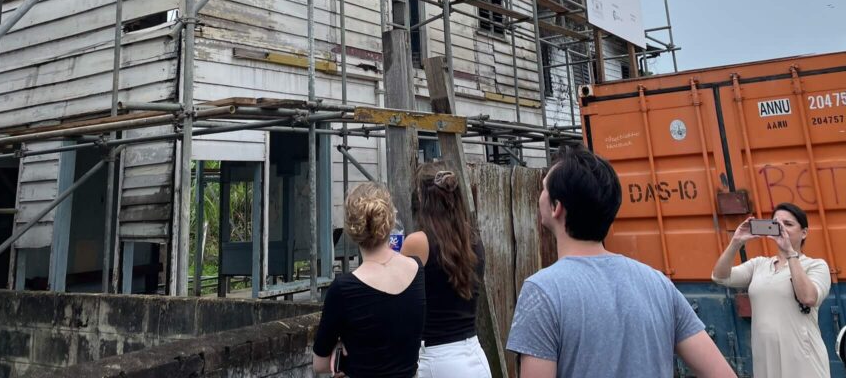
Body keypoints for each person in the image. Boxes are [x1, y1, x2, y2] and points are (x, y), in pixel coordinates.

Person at [506, 144, 735, 378]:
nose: (540, 195)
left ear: (557, 207)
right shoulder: (658, 283)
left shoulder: (542, 291)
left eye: (544, 189)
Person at [312, 182, 425, 377]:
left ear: (351, 229)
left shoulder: (343, 289)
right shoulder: (416, 270)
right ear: (390, 220)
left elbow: (320, 365)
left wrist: (340, 347)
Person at [711, 202, 831, 378]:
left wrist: (791, 253)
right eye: (777, 225)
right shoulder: (759, 264)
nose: (782, 230)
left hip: (802, 357)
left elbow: (808, 297)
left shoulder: (816, 265)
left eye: (788, 225)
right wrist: (736, 242)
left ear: (804, 232)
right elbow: (720, 276)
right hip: (765, 357)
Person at [402, 163, 491, 378]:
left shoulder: (418, 242)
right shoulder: (474, 241)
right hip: (475, 356)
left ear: (422, 199)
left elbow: (396, 300)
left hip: (437, 358)